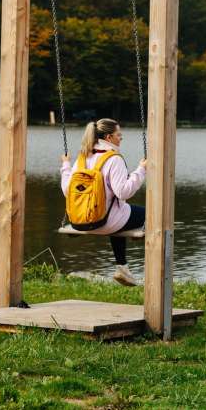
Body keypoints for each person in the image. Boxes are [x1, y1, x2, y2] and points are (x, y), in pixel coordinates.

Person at [60, 118, 146, 286]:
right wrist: (141, 170)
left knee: (120, 211)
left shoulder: (82, 158)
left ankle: (123, 268)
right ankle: (131, 268)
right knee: (152, 215)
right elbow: (123, 192)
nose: (121, 138)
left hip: (78, 222)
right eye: (118, 135)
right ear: (108, 137)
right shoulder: (114, 159)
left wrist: (65, 165)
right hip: (105, 223)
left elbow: (66, 191)